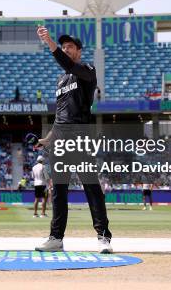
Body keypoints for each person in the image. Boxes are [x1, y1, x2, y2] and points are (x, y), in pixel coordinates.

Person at [34, 27, 113, 253]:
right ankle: (56, 238)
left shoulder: (87, 70)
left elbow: (68, 65)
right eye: (64, 46)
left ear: (79, 51)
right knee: (58, 190)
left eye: (70, 47)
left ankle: (103, 236)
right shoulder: (60, 81)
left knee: (91, 187)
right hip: (60, 139)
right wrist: (47, 139)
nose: (66, 49)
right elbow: (60, 115)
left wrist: (50, 43)